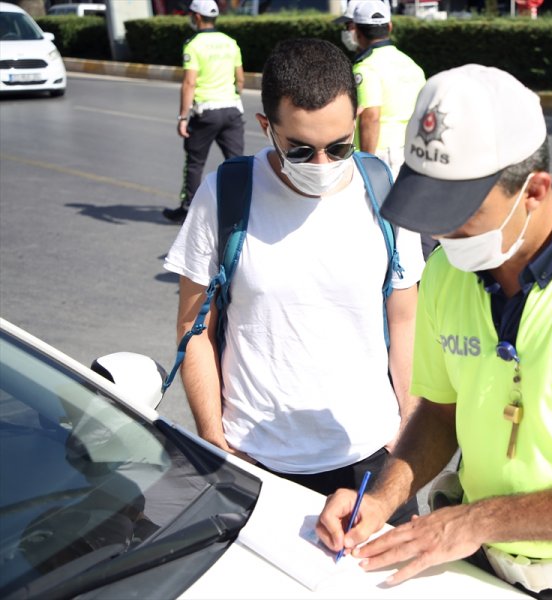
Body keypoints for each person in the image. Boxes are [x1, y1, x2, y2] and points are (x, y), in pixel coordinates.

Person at [317, 64, 552, 599]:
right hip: (487, 568)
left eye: (461, 215)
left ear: (533, 190)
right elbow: (440, 412)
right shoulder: (446, 271)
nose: (443, 233)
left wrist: (475, 521)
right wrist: (380, 498)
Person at [163, 38, 425, 522]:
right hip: (255, 461)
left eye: (340, 146)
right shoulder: (225, 194)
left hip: (372, 455)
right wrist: (214, 436)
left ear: (354, 122)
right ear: (267, 127)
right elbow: (192, 325)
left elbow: (405, 318)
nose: (322, 165)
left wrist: (407, 425)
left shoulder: (384, 191)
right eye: (301, 150)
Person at [162, 0, 244, 224]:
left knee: (195, 163)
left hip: (206, 112)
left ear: (197, 17)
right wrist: (231, 96)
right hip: (232, 110)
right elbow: (240, 80)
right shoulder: (230, 42)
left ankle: (188, 208)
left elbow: (189, 83)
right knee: (237, 163)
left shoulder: (194, 45)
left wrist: (182, 117)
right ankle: (242, 209)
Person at [335, 0, 425, 179]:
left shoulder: (366, 68)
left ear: (357, 31)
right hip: (412, 151)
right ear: (389, 27)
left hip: (381, 155)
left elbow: (371, 117)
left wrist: (367, 164)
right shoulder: (412, 65)